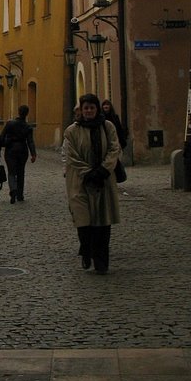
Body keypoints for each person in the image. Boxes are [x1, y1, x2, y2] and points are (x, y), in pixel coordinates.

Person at [62, 92, 121, 274]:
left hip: (103, 180)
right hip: (80, 181)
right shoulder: (72, 131)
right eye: (85, 108)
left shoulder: (107, 127)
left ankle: (101, 261)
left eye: (92, 107)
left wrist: (103, 169)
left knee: (103, 223)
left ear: (97, 109)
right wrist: (88, 172)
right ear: (81, 109)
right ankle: (86, 251)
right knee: (84, 222)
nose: (89, 111)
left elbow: (114, 148)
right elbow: (71, 155)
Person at [1, 104, 37, 203]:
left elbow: (2, 137)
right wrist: (33, 154)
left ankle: (13, 189)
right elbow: (30, 141)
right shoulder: (28, 127)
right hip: (22, 150)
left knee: (11, 171)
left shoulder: (10, 124)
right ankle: (20, 195)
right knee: (21, 172)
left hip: (10, 150)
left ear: (18, 111)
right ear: (27, 114)